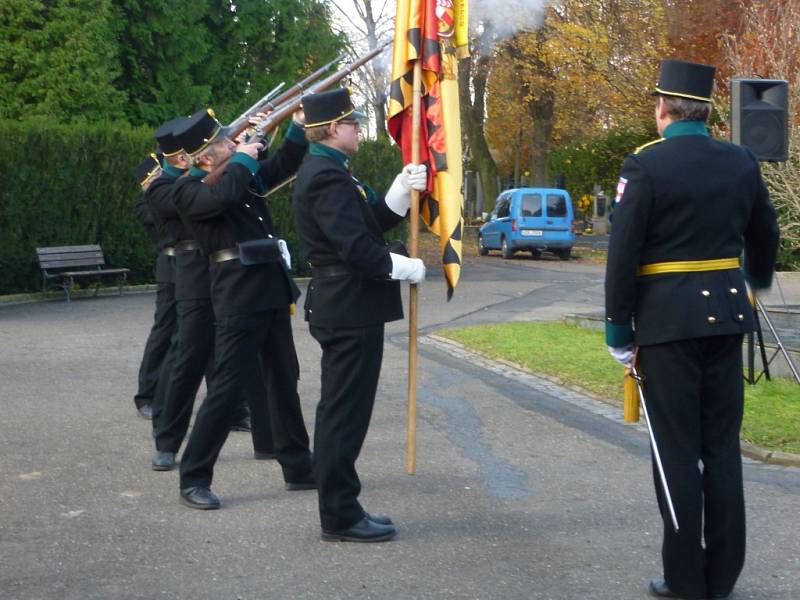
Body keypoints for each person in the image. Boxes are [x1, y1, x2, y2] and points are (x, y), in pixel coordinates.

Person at [604, 59, 779, 599]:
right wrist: (752, 281)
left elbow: (623, 252)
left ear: (663, 108)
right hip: (727, 321)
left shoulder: (645, 165)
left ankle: (685, 578)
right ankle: (722, 575)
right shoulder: (740, 159)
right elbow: (765, 234)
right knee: (721, 448)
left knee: (676, 451)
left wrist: (617, 329)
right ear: (704, 110)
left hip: (666, 326)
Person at [292, 88, 427, 542]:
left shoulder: (333, 172)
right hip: (347, 306)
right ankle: (339, 514)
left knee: (345, 411)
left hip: (349, 305)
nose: (357, 129)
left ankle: (343, 506)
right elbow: (356, 250)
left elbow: (366, 222)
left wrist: (400, 192)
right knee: (343, 414)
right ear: (333, 128)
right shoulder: (324, 177)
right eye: (352, 123)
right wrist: (403, 267)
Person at [171, 107, 313, 509]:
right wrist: (246, 156)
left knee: (285, 380)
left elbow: (282, 165)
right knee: (228, 391)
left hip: (269, 287)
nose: (234, 144)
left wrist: (298, 128)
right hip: (237, 293)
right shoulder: (188, 189)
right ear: (205, 157)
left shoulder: (239, 173)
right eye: (225, 142)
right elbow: (224, 195)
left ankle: (299, 467)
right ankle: (193, 476)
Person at [146, 117, 257, 472]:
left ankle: (239, 413)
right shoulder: (163, 186)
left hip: (224, 273)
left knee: (229, 357)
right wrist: (234, 160)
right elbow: (202, 199)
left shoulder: (211, 171)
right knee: (188, 358)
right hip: (194, 274)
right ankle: (167, 439)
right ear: (183, 158)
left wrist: (248, 149)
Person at [132, 152, 176, 421]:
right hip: (171, 269)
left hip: (196, 266)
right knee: (164, 333)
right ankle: (147, 395)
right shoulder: (145, 205)